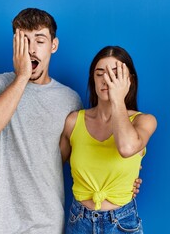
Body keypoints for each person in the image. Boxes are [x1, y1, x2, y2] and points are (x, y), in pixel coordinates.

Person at [0, 8, 82, 233]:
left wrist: (124, 180)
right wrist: (21, 77)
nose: (31, 49)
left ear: (53, 46)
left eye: (39, 40)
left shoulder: (70, 100)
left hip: (46, 223)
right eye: (24, 40)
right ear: (14, 44)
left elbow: (68, 160)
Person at [60, 46, 157, 233]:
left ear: (129, 80)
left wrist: (117, 100)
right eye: (100, 73)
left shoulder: (144, 121)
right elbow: (49, 171)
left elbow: (127, 147)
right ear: (92, 80)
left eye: (116, 74)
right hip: (79, 221)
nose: (107, 80)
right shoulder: (73, 121)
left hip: (122, 223)